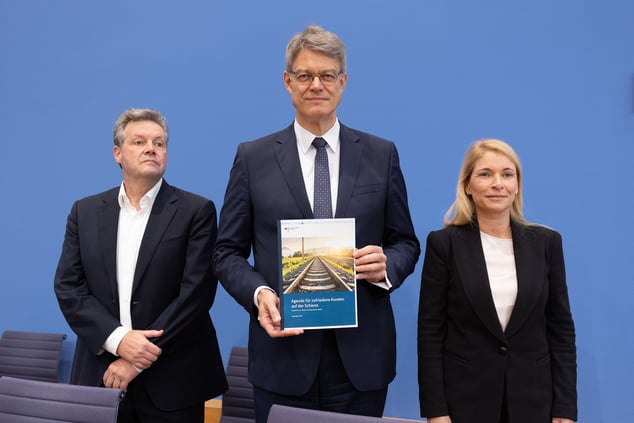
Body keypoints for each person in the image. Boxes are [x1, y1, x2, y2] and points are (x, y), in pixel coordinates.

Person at [212, 25, 420, 422]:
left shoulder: (381, 154)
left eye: (327, 75)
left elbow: (405, 242)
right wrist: (259, 294)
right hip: (283, 355)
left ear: (343, 82)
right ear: (287, 82)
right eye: (305, 75)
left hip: (361, 360)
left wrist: (386, 267)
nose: (316, 85)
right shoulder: (253, 158)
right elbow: (226, 253)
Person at [54, 108, 227, 422]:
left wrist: (136, 359)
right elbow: (69, 288)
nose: (151, 149)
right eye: (139, 142)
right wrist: (119, 340)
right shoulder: (85, 212)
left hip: (174, 379)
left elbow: (196, 294)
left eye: (159, 143)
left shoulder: (196, 211)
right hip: (101, 375)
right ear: (117, 154)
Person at [417, 139, 577, 423]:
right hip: (465, 402)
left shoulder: (547, 243)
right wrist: (436, 411)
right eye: (485, 174)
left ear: (517, 185)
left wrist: (564, 407)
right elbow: (430, 333)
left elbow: (561, 331)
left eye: (507, 174)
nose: (497, 184)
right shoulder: (444, 244)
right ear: (467, 185)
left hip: (534, 402)